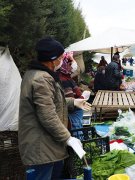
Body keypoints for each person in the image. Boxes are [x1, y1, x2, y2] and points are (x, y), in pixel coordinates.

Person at [18, 37, 91, 179]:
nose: (62, 60)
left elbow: (50, 102)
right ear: (52, 59)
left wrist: (73, 102)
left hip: (47, 145)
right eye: (60, 57)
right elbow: (47, 115)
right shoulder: (41, 79)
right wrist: (68, 138)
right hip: (41, 148)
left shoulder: (36, 74)